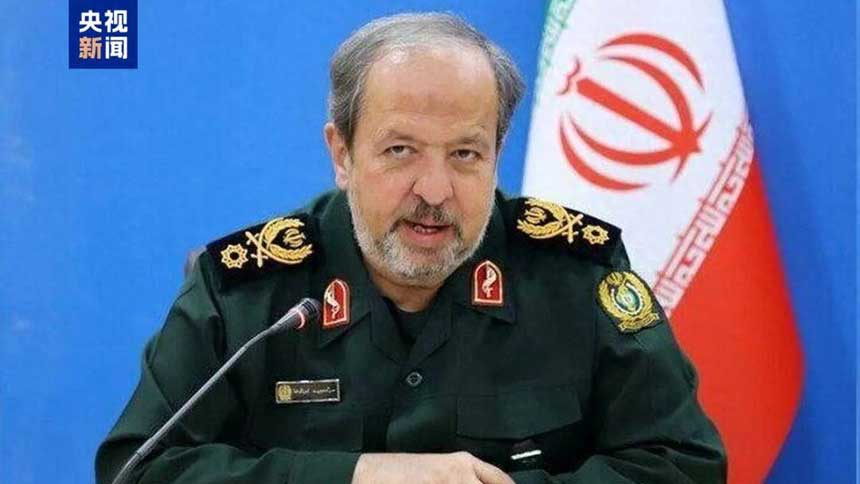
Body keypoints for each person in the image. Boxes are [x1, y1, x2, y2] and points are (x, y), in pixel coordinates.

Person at [96, 12, 726, 484]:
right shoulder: (247, 292)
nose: (434, 190)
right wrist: (355, 476)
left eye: (465, 154)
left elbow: (684, 464)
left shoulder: (576, 274)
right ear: (342, 153)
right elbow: (138, 470)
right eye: (401, 151)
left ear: (497, 155)